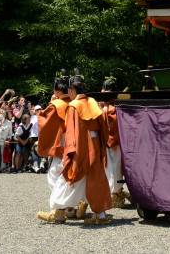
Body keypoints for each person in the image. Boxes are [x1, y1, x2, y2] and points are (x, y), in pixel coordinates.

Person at [51, 74, 112, 225]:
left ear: (72, 89)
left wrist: (69, 151)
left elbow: (73, 132)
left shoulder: (73, 106)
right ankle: (101, 215)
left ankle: (59, 212)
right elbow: (103, 127)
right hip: (95, 145)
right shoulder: (93, 102)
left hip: (81, 147)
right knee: (95, 179)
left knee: (69, 178)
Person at [37, 77, 72, 223]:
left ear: (57, 91)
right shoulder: (73, 102)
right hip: (72, 139)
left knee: (54, 175)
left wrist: (39, 115)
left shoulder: (56, 105)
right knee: (68, 173)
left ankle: (60, 209)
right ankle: (72, 207)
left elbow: (45, 122)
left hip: (61, 141)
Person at [99, 77, 129, 209]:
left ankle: (116, 194)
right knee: (112, 169)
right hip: (113, 141)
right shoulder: (113, 106)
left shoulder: (110, 108)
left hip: (113, 142)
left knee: (114, 169)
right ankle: (116, 193)